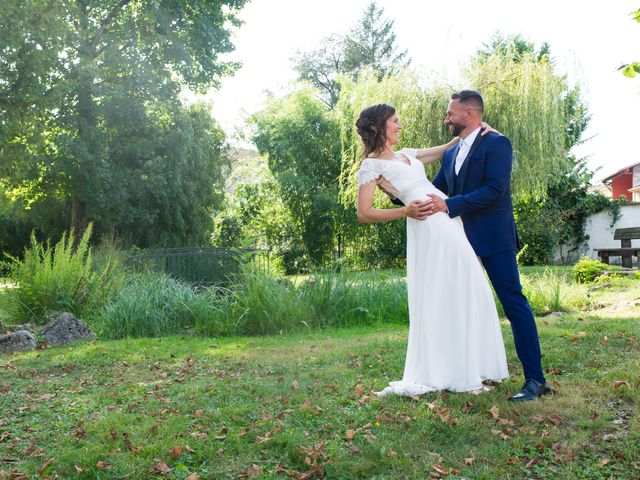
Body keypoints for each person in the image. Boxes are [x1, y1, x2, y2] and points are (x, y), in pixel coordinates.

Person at [356, 103, 509, 396]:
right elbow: (364, 213)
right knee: (442, 291)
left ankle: (471, 365)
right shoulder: (371, 166)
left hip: (449, 220)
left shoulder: (409, 155)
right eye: (395, 121)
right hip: (427, 225)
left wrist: (483, 131)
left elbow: (451, 145)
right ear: (379, 127)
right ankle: (446, 370)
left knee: (469, 286)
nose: (400, 125)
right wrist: (405, 212)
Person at [422, 90, 549, 401]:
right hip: (458, 241)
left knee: (514, 304)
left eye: (450, 113)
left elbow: (495, 190)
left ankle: (535, 380)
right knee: (459, 305)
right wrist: (397, 191)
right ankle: (463, 372)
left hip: (494, 237)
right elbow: (434, 189)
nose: (446, 119)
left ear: (469, 114)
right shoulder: (451, 154)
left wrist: (449, 205)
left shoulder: (497, 144)